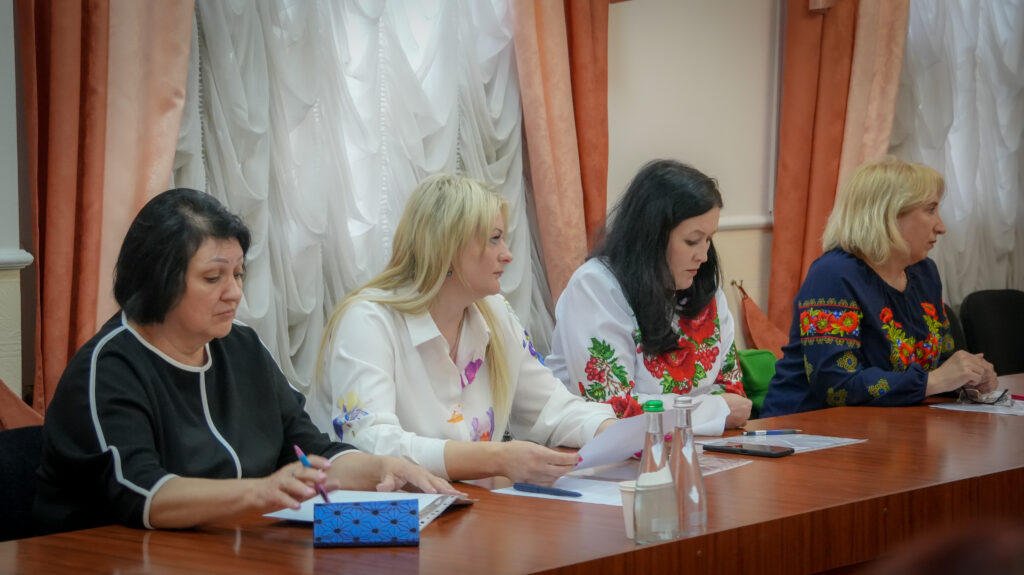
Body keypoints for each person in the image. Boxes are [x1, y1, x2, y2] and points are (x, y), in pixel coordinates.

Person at [33, 189, 457, 536]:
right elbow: (143, 492)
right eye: (213, 277)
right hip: (106, 557)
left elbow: (309, 450)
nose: (234, 292)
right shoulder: (108, 368)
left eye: (238, 274)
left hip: (222, 549)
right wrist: (260, 492)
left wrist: (382, 467)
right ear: (157, 278)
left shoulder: (242, 347)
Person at [307, 174, 616, 486]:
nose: (507, 254)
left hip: (469, 506)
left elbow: (552, 408)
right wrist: (496, 458)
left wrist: (615, 433)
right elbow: (371, 444)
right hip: (385, 512)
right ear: (448, 247)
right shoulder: (368, 320)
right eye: (494, 239)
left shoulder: (495, 312)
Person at [760, 158, 997, 417]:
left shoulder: (925, 272)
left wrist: (968, 375)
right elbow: (836, 385)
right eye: (930, 210)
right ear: (888, 215)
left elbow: (942, 361)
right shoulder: (833, 275)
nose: (941, 227)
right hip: (804, 427)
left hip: (886, 424)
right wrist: (933, 381)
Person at [546, 159, 751, 433]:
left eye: (709, 239)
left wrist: (707, 409)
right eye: (692, 241)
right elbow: (611, 408)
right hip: (602, 453)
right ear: (652, 236)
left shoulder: (703, 284)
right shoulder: (596, 286)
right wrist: (710, 410)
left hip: (699, 448)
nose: (703, 256)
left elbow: (734, 398)